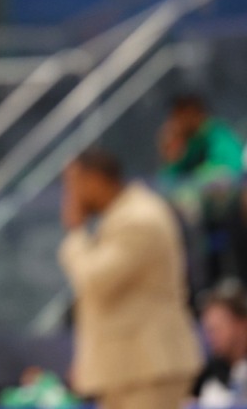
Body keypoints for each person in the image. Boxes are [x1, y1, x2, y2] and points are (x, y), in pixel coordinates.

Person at [58, 148, 202, 409]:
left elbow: (95, 281)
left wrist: (76, 234)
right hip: (129, 369)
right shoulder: (122, 216)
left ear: (95, 180)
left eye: (73, 185)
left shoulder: (139, 218)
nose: (69, 197)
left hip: (150, 369)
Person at [159, 94, 245, 286]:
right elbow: (169, 183)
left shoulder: (218, 136)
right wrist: (171, 156)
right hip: (201, 228)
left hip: (230, 219)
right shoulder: (188, 146)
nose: (175, 123)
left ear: (192, 113)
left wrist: (197, 184)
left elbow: (232, 171)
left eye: (178, 117)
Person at [193, 279, 247, 407]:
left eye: (218, 328)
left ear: (242, 324)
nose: (211, 336)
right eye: (208, 329)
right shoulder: (209, 376)